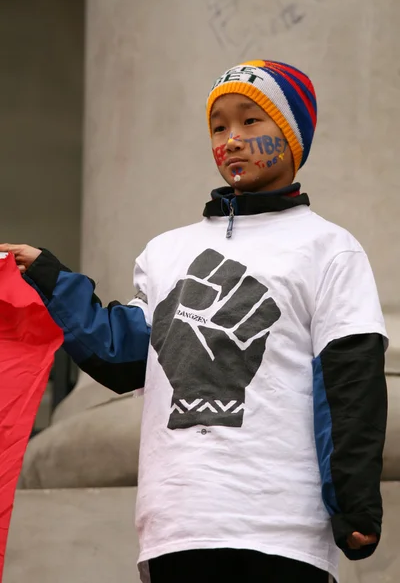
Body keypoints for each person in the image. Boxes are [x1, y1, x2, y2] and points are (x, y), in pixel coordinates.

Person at [0, 60, 387, 583]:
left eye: (252, 121)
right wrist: (49, 276)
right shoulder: (166, 251)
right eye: (219, 126)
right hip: (175, 528)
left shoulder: (329, 247)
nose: (232, 139)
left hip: (280, 530)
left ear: (294, 136)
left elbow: (350, 382)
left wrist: (355, 504)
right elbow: (122, 356)